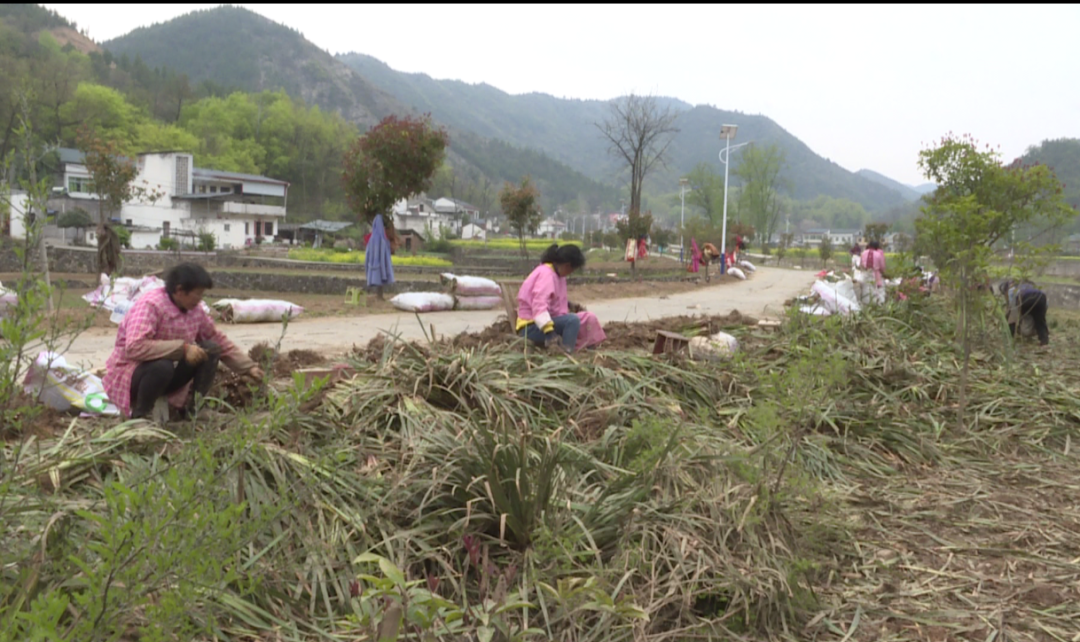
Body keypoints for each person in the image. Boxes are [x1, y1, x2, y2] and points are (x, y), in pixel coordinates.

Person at [103, 263, 264, 420]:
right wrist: (183, 349)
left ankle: (196, 410)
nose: (200, 299)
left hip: (167, 374)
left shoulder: (195, 311)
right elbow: (135, 347)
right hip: (131, 375)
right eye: (197, 293)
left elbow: (216, 339)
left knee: (211, 349)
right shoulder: (150, 305)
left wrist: (248, 367)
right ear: (180, 290)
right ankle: (140, 416)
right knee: (162, 366)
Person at [516, 244, 607, 353]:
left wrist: (568, 304)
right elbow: (539, 305)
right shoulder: (546, 275)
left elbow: (553, 298)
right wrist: (549, 332)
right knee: (572, 321)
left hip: (552, 320)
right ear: (567, 265)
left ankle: (589, 350)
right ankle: (566, 352)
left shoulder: (557, 275)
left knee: (589, 318)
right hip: (532, 327)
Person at [1000, 279, 1049, 346]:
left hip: (1025, 299)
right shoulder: (1028, 286)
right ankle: (1044, 340)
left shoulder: (1011, 291)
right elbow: (1046, 305)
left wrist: (1011, 332)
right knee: (1040, 320)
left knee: (1025, 330)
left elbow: (1012, 313)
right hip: (1041, 297)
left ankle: (1027, 331)